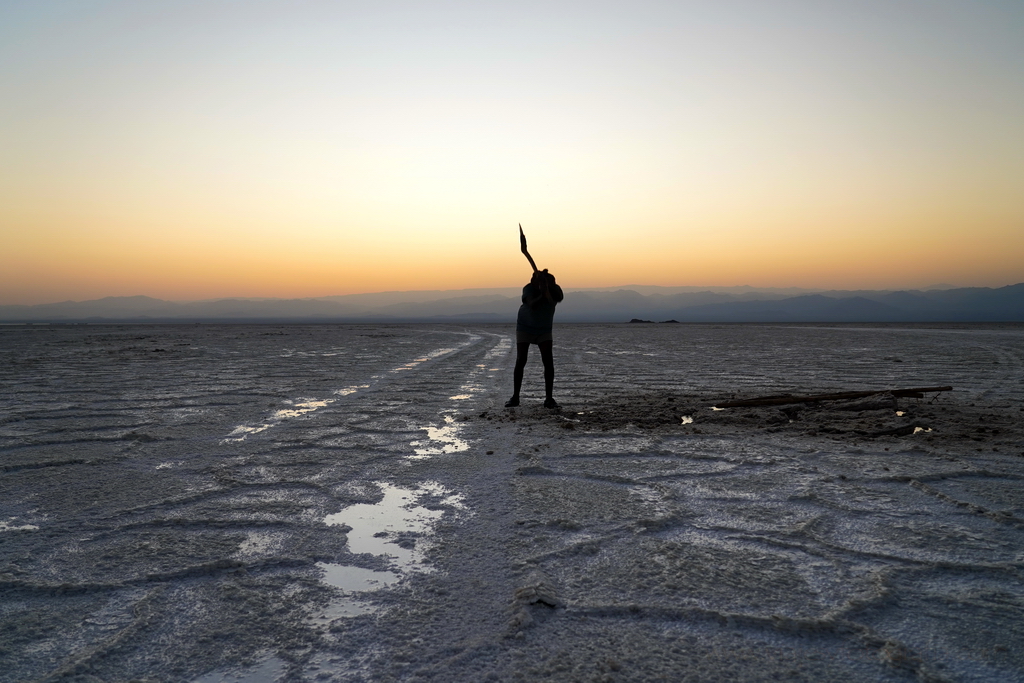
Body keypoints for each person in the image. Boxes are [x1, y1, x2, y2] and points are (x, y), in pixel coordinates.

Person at [506, 269, 564, 408]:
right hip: (525, 327)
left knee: (548, 361)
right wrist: (542, 293)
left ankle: (549, 399)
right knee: (521, 360)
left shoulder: (555, 290)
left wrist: (546, 288)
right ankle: (515, 397)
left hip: (544, 329)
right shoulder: (529, 288)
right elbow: (532, 304)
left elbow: (558, 297)